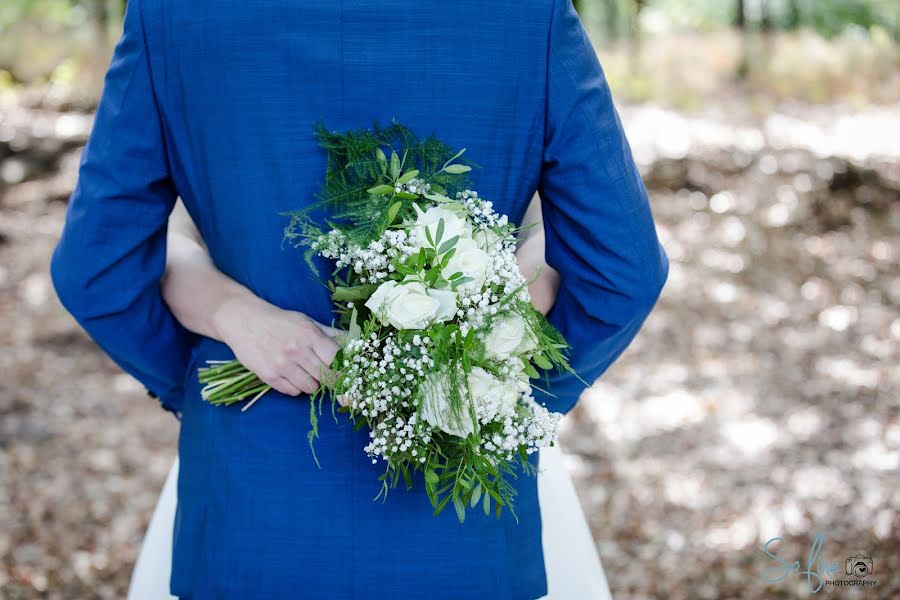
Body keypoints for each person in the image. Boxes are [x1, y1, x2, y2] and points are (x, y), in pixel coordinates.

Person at [50, 0, 668, 597]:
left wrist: (198, 381)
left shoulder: (171, 13)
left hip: (254, 515)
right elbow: (624, 273)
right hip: (459, 536)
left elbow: (94, 270)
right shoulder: (529, 15)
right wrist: (497, 393)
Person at [126, 197, 613, 600]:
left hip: (464, 413)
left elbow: (549, 236)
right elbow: (172, 241)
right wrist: (236, 319)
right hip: (257, 464)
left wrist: (479, 324)